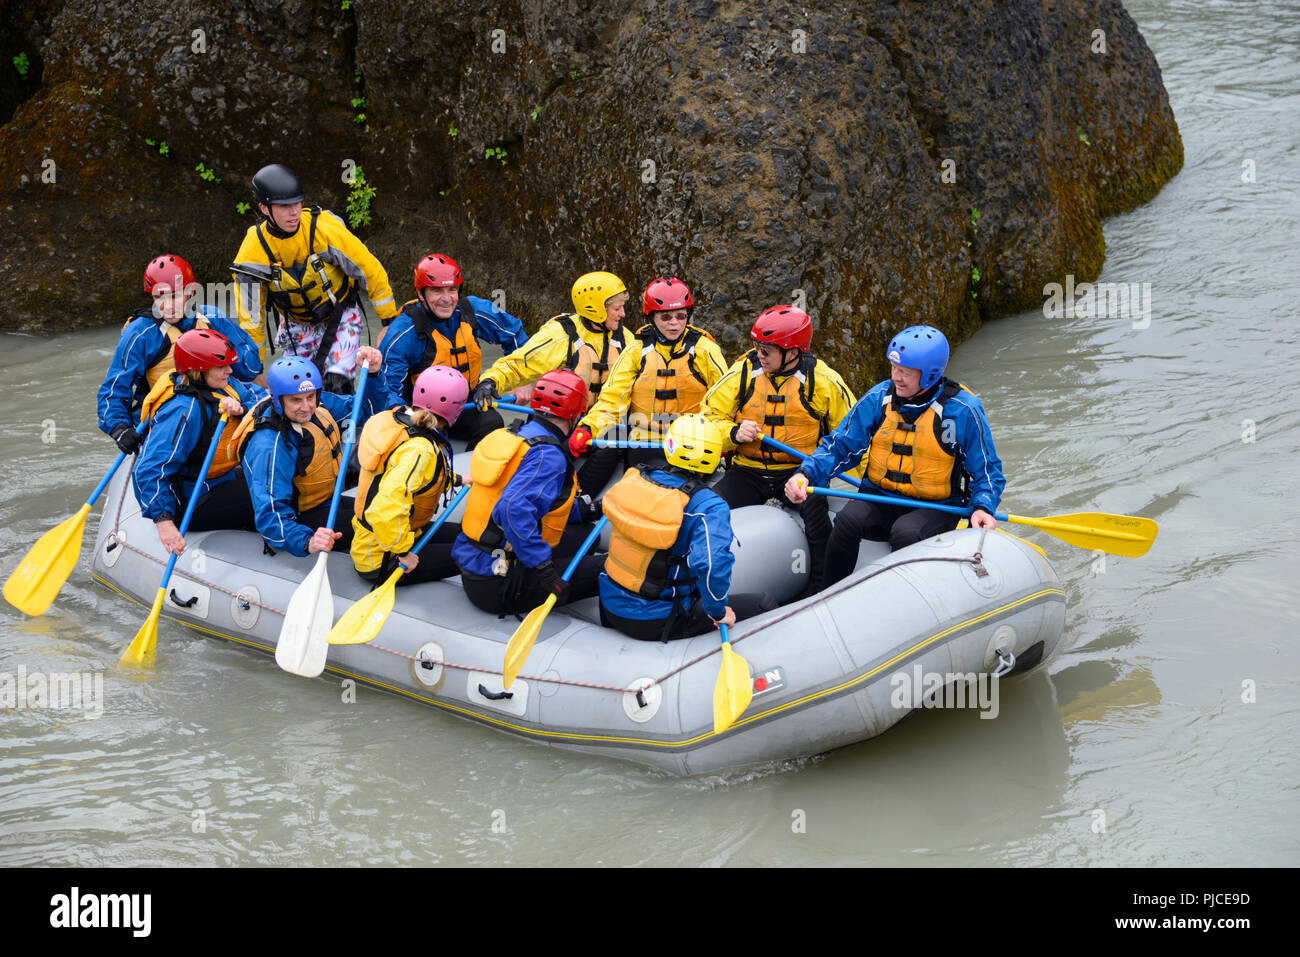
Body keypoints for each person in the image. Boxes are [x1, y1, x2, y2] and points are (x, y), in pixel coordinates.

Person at [785, 325, 1004, 589]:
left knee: (907, 532)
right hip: (880, 497)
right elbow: (840, 445)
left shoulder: (962, 410)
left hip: (934, 507)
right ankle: (827, 592)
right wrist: (805, 473)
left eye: (906, 373)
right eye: (894, 368)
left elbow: (987, 472)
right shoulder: (880, 398)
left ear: (930, 375)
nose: (896, 377)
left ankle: (901, 597)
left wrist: (982, 507)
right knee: (847, 520)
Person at [701, 305, 855, 592]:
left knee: (817, 518)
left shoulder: (823, 381)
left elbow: (850, 437)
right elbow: (708, 416)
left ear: (793, 352)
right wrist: (733, 433)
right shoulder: (743, 372)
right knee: (709, 508)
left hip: (799, 472)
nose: (760, 355)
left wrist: (863, 489)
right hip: (748, 471)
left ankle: (823, 586)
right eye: (758, 347)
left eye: (767, 350)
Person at [598, 413, 775, 641]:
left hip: (609, 606)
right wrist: (718, 612)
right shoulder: (708, 506)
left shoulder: (635, 476)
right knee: (765, 604)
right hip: (656, 619)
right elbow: (711, 566)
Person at [231, 163, 398, 388]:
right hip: (295, 326)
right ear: (264, 208)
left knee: (336, 384)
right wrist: (254, 370)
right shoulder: (252, 251)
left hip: (340, 316)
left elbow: (369, 270)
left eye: (297, 203)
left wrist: (388, 322)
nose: (294, 212)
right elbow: (251, 318)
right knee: (295, 389)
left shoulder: (324, 230)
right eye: (284, 206)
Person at [453, 370, 604, 617]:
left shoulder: (516, 435)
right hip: (499, 581)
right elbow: (512, 508)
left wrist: (592, 508)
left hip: (477, 564)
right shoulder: (549, 455)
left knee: (589, 535)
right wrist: (545, 570)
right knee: (607, 568)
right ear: (576, 415)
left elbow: (543, 502)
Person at [568, 276, 728, 493]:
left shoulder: (705, 350)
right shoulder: (636, 350)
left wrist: (725, 440)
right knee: (610, 439)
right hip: (644, 436)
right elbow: (613, 399)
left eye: (681, 316)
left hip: (691, 441)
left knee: (667, 480)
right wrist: (588, 426)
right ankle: (580, 499)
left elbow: (724, 404)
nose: (674, 323)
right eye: (666, 317)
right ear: (651, 317)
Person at [99, 254, 262, 455]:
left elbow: (250, 370)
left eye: (174, 295)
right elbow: (113, 391)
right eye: (159, 297)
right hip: (167, 423)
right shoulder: (140, 334)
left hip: (218, 414)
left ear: (190, 292)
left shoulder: (210, 318)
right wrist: (119, 429)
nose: (167, 305)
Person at [233, 348, 387, 558]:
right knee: (388, 528)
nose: (306, 407)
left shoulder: (318, 406)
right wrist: (308, 541)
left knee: (395, 514)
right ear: (278, 400)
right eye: (296, 400)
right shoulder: (269, 444)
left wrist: (373, 375)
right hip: (303, 518)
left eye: (310, 397)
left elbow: (364, 410)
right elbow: (270, 515)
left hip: (329, 501)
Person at [131, 329, 261, 555]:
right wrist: (164, 521)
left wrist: (242, 410)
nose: (230, 371)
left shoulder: (223, 385)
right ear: (198, 369)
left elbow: (258, 397)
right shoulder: (183, 410)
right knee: (276, 493)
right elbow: (148, 469)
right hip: (195, 499)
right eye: (222, 366)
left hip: (222, 478)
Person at [377, 253, 526, 449]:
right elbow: (386, 388)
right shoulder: (403, 332)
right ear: (421, 294)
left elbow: (514, 333)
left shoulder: (472, 309)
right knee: (420, 446)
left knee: (493, 423)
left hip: (466, 403)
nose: (447, 299)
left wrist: (521, 379)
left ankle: (474, 474)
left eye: (452, 290)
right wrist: (400, 411)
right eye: (437, 291)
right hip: (422, 412)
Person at [351, 365, 467, 585]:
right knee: (474, 553)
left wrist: (458, 480)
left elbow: (409, 474)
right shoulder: (420, 449)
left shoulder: (390, 418)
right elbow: (386, 508)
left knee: (468, 534)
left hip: (375, 542)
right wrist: (403, 551)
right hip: (383, 558)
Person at [470, 270, 634, 417]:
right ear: (596, 309)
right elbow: (519, 364)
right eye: (617, 308)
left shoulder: (626, 339)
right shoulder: (561, 334)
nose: (623, 314)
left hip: (604, 423)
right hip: (562, 419)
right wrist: (490, 381)